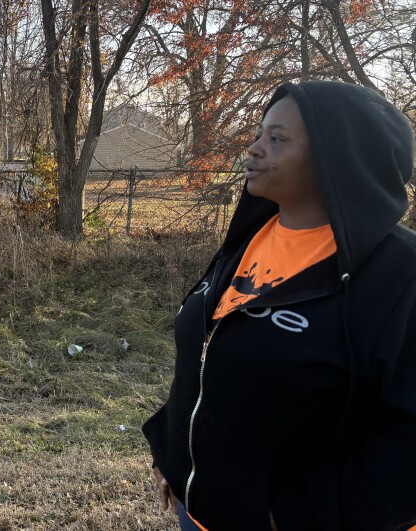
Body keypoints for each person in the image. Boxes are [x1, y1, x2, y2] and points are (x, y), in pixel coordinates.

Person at [142, 80, 416, 530]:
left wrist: (291, 515)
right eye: (258, 134)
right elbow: (205, 351)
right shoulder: (250, 239)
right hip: (200, 516)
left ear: (338, 158)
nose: (252, 150)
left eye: (277, 139)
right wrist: (172, 456)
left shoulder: (399, 273)